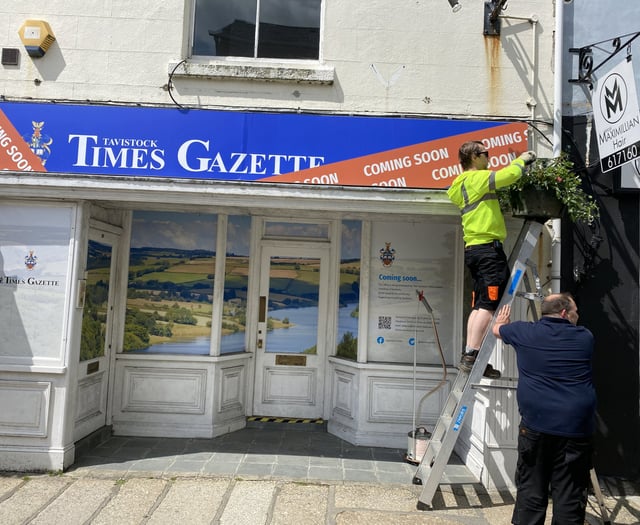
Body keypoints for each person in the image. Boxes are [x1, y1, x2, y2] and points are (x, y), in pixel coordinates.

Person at [492, 294, 596, 525]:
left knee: (531, 490)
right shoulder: (584, 337)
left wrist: (502, 322)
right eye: (575, 311)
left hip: (536, 428)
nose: (577, 315)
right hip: (575, 430)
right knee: (569, 495)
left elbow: (496, 330)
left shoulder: (524, 332)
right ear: (563, 313)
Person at [447, 141, 536, 377]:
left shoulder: (459, 184)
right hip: (487, 251)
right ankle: (470, 357)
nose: (489, 157)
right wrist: (523, 160)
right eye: (486, 154)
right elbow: (509, 176)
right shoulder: (477, 179)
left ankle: (470, 355)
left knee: (479, 305)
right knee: (488, 304)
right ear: (475, 157)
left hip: (475, 250)